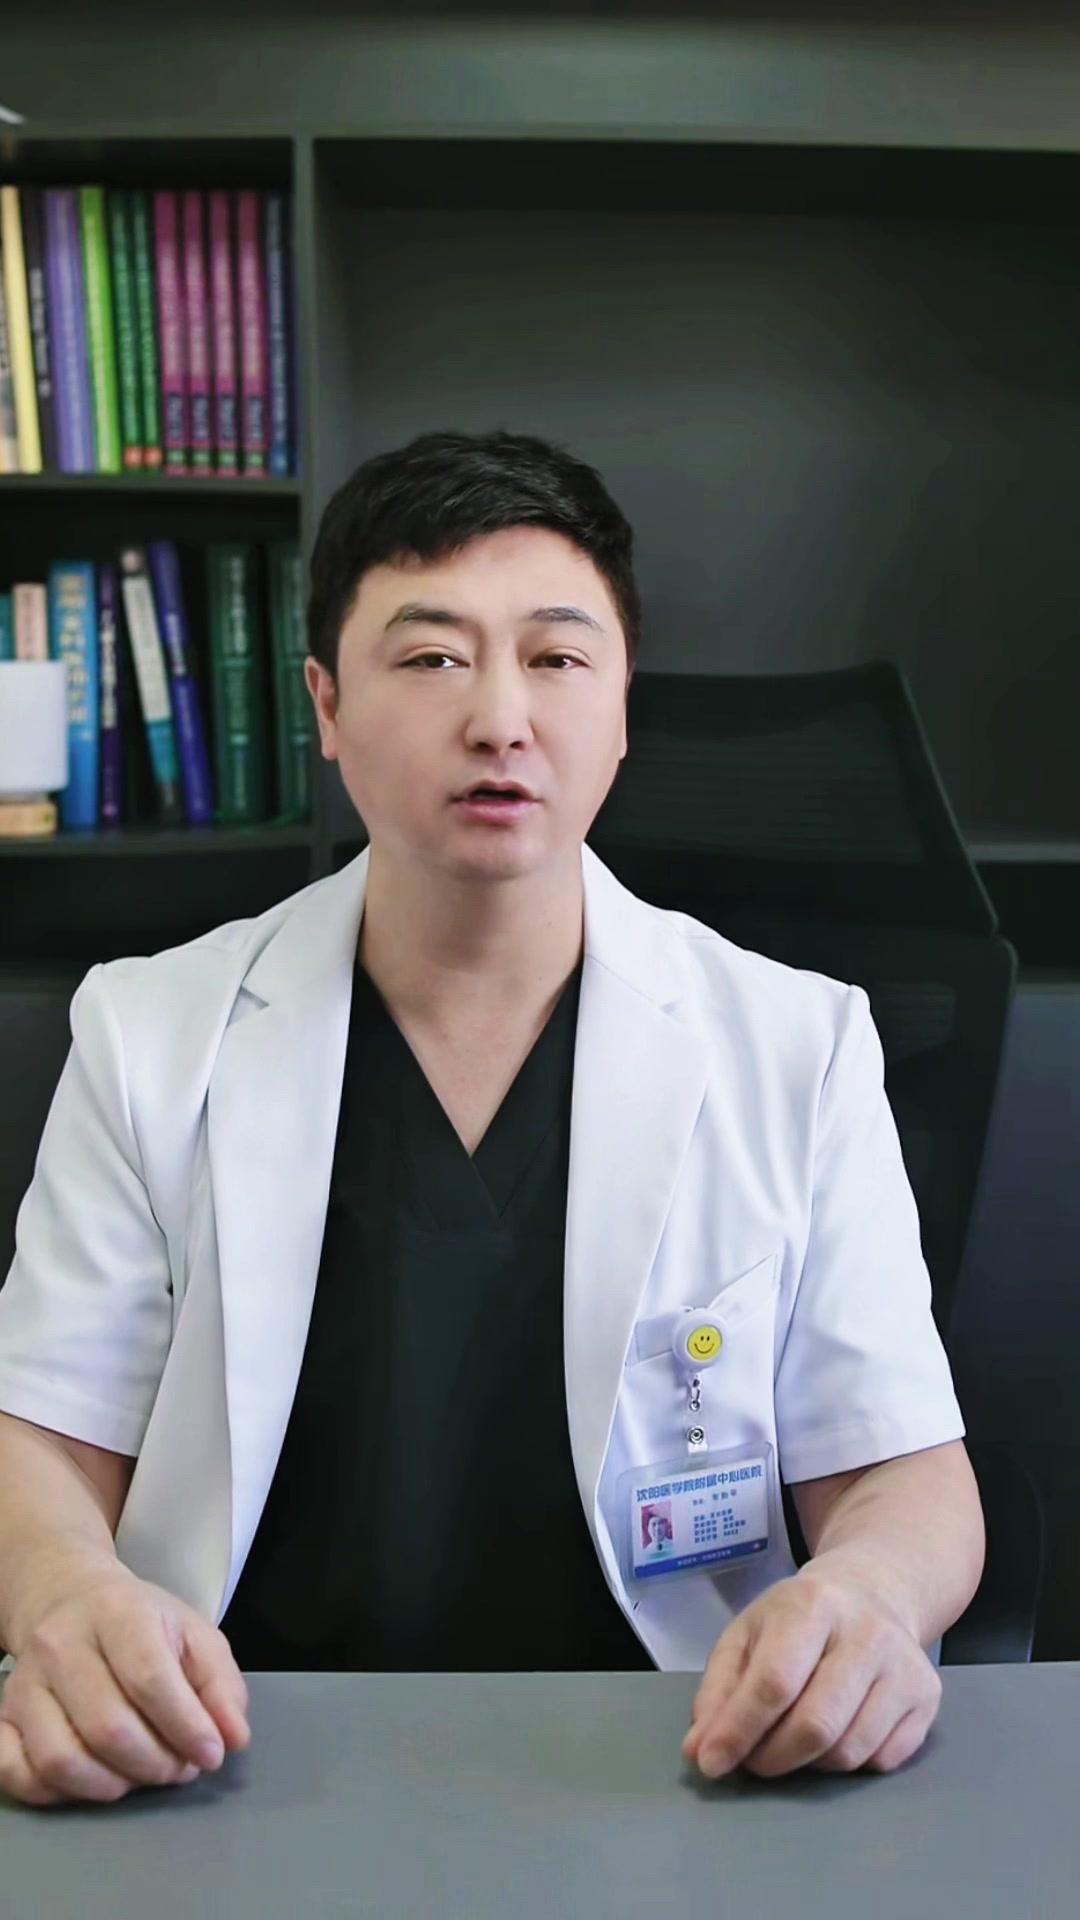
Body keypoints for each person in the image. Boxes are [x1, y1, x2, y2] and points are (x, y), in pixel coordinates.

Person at [0, 428, 984, 1809]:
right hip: (231, 1755)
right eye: (431, 657)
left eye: (558, 658)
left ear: (624, 705)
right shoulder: (148, 1033)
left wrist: (872, 1596)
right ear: (325, 703)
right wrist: (65, 1593)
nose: (501, 719)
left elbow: (906, 1477)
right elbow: (41, 1437)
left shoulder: (796, 1045)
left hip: (678, 1759)